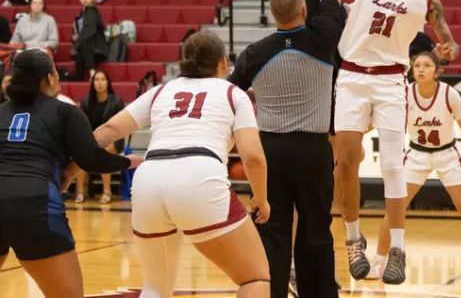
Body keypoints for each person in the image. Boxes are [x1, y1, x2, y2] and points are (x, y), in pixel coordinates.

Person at [330, 0, 460, 285]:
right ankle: (353, 240)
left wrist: (447, 46)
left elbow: (444, 32)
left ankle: (398, 249)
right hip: (350, 76)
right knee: (345, 162)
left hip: (389, 81)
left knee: (391, 165)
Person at [229, 0, 354, 298]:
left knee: (273, 231)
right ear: (303, 10)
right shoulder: (322, 36)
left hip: (270, 152)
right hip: (313, 151)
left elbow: (229, 95)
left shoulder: (254, 53)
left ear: (273, 13)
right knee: (316, 231)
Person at [92, 31, 271, 298]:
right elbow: (253, 157)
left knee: (156, 287)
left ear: (182, 61)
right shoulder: (233, 94)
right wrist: (261, 198)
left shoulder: (161, 91)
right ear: (224, 63)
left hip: (149, 180)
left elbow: (107, 130)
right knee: (255, 277)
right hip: (199, 176)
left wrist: (71, 165)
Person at [0, 50, 136, 298]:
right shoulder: (65, 111)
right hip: (34, 203)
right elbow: (91, 158)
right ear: (49, 78)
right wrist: (132, 161)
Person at [368, 52, 461, 281]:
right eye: (417, 65)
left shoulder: (450, 94)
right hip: (416, 154)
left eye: (427, 65)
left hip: (446, 154)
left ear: (437, 71)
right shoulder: (405, 93)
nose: (421, 69)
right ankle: (379, 262)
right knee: (395, 209)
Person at [74, 70, 126, 204]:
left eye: (103, 79)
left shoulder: (116, 102)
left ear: (108, 83)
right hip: (93, 140)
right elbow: (82, 126)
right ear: (92, 83)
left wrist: (108, 140)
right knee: (79, 152)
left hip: (114, 139)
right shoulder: (86, 102)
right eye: (97, 79)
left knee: (104, 152)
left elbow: (121, 125)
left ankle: (107, 191)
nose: (100, 83)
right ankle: (80, 191)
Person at [71, 0, 108, 81]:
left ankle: (92, 72)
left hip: (96, 48)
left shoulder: (91, 11)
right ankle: (80, 78)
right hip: (85, 50)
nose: (85, 0)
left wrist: (76, 44)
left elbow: (89, 31)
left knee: (84, 43)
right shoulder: (81, 14)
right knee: (81, 50)